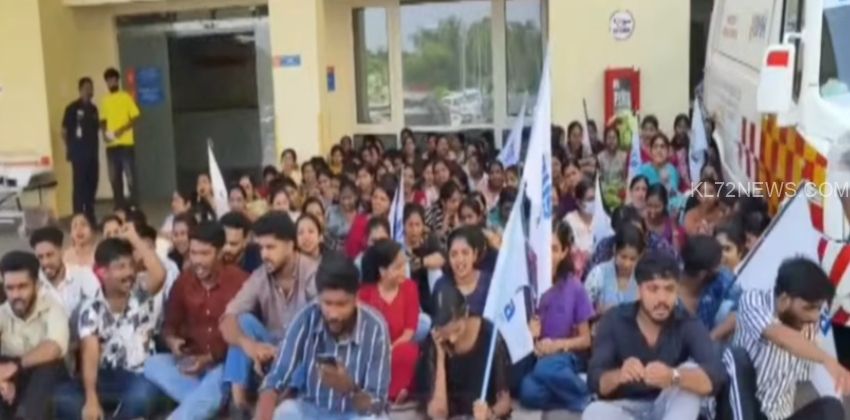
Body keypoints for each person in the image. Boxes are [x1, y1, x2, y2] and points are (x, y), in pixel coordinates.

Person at [583, 251, 727, 420]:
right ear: (638, 290)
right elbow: (595, 381)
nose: (662, 299)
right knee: (593, 412)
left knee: (688, 373)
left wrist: (673, 376)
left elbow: (715, 377)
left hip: (669, 407)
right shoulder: (615, 320)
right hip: (624, 408)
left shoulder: (687, 323)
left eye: (669, 289)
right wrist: (619, 375)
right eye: (653, 289)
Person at [255, 253, 391, 420]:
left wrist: (350, 388)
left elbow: (377, 404)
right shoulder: (306, 317)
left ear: (356, 298)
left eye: (341, 304)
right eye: (327, 303)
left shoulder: (375, 328)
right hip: (311, 410)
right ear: (319, 298)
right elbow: (277, 377)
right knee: (284, 412)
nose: (333, 314)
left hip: (353, 414)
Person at [53, 233, 166, 420]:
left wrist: (134, 237)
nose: (129, 273)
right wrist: (91, 398)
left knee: (143, 395)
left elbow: (159, 274)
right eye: (121, 267)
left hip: (138, 375)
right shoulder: (91, 308)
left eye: (131, 265)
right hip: (103, 377)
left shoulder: (140, 294)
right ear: (102, 272)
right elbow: (89, 354)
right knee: (63, 397)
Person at [721, 257, 850, 420]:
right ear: (784, 300)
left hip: (776, 413)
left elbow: (803, 372)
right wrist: (826, 359)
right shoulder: (753, 301)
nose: (815, 316)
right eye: (809, 308)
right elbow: (778, 335)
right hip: (739, 403)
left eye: (818, 308)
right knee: (738, 358)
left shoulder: (808, 326)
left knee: (832, 408)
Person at [143, 222, 247, 420]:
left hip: (222, 364)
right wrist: (172, 341)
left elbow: (245, 333)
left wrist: (208, 359)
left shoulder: (240, 282)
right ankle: (211, 406)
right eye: (193, 253)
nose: (197, 260)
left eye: (204, 254)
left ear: (220, 252)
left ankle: (204, 405)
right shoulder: (184, 282)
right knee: (152, 364)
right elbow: (169, 325)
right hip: (190, 362)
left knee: (220, 378)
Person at [219, 212, 319, 416]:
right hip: (269, 349)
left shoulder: (313, 274)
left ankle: (271, 406)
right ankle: (238, 406)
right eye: (261, 248)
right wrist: (250, 346)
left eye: (271, 247)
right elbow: (226, 319)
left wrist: (284, 352)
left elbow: (322, 330)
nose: (264, 254)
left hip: (303, 353)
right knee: (242, 321)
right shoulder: (260, 276)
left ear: (290, 245)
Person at [520, 222, 594, 411]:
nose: (547, 255)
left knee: (545, 369)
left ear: (564, 252)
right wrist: (531, 337)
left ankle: (586, 395)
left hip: (566, 357)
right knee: (528, 391)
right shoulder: (528, 285)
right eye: (543, 248)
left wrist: (556, 345)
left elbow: (586, 340)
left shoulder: (574, 287)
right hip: (539, 358)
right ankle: (569, 392)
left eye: (553, 249)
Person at [424, 282, 512, 420]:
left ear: (465, 313)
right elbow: (438, 412)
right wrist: (440, 357)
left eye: (457, 330)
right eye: (446, 334)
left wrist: (490, 414)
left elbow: (504, 400)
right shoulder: (435, 340)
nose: (452, 339)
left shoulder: (489, 334)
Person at [0, 251, 70, 420]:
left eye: (22, 287)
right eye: (10, 288)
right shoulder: (2, 313)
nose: (16, 295)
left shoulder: (53, 309)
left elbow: (53, 347)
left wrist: (16, 366)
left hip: (46, 376)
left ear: (37, 285)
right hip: (9, 373)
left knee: (48, 365)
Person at [359, 239, 420, 404]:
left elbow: (409, 331)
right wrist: (382, 351)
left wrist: (391, 349)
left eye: (404, 265)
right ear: (382, 271)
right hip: (373, 350)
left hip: (398, 346)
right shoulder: (365, 294)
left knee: (408, 352)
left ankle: (399, 393)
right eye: (398, 267)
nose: (403, 271)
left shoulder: (410, 288)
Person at [679, 235, 740, 341]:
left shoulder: (721, 278)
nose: (721, 268)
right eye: (717, 267)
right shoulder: (669, 296)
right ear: (702, 274)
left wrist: (713, 336)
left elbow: (742, 305)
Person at [30, 226, 100, 318]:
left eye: (49, 255)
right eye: (40, 257)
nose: (45, 262)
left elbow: (99, 308)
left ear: (61, 252)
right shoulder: (33, 287)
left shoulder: (83, 275)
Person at [100, 67, 141, 208]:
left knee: (130, 177)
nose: (111, 83)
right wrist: (104, 134)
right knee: (114, 178)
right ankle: (119, 205)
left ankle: (134, 206)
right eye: (108, 81)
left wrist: (122, 130)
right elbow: (103, 120)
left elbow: (135, 117)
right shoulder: (105, 100)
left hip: (125, 144)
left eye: (113, 80)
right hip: (111, 146)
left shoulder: (125, 97)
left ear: (117, 80)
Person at [62, 77, 100, 222]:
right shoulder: (71, 108)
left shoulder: (94, 109)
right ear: (80, 89)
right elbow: (64, 131)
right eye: (86, 87)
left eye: (91, 87)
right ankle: (78, 217)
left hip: (92, 154)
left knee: (92, 184)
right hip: (78, 154)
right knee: (79, 186)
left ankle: (90, 215)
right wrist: (70, 147)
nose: (89, 90)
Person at [432, 227, 492, 316]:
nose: (460, 259)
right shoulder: (441, 285)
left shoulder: (490, 283)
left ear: (475, 254)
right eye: (454, 254)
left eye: (465, 253)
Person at [585, 223, 644, 314]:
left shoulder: (643, 278)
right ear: (615, 250)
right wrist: (599, 310)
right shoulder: (598, 274)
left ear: (640, 257)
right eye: (623, 257)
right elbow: (582, 311)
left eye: (632, 259)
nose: (627, 264)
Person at [403, 204, 445, 314]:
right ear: (403, 225)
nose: (414, 230)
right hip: (406, 294)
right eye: (410, 225)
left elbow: (441, 258)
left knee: (435, 269)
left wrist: (421, 262)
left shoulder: (430, 240)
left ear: (423, 226)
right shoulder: (398, 244)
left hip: (427, 292)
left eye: (418, 225)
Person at [345, 177, 395, 258]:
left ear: (390, 204)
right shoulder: (361, 220)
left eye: (383, 199)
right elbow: (351, 249)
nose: (377, 202)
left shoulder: (393, 225)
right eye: (375, 197)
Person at [563, 178, 595, 274]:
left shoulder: (602, 219)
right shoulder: (569, 221)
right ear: (579, 202)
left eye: (595, 198)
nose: (594, 202)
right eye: (590, 199)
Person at [644, 184, 682, 250]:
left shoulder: (670, 223)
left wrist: (674, 226)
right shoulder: (640, 221)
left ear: (664, 205)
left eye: (657, 207)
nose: (653, 211)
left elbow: (676, 252)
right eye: (649, 205)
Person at [598, 126, 627, 209]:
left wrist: (619, 191)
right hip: (605, 193)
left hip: (620, 193)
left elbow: (626, 178)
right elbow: (600, 179)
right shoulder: (600, 157)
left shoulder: (624, 156)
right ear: (605, 140)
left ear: (618, 140)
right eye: (609, 138)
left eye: (614, 138)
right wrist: (607, 191)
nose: (611, 141)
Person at [326, 179, 358, 253]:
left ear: (356, 197)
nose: (346, 202)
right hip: (331, 254)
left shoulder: (361, 216)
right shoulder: (330, 211)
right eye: (343, 198)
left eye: (349, 198)